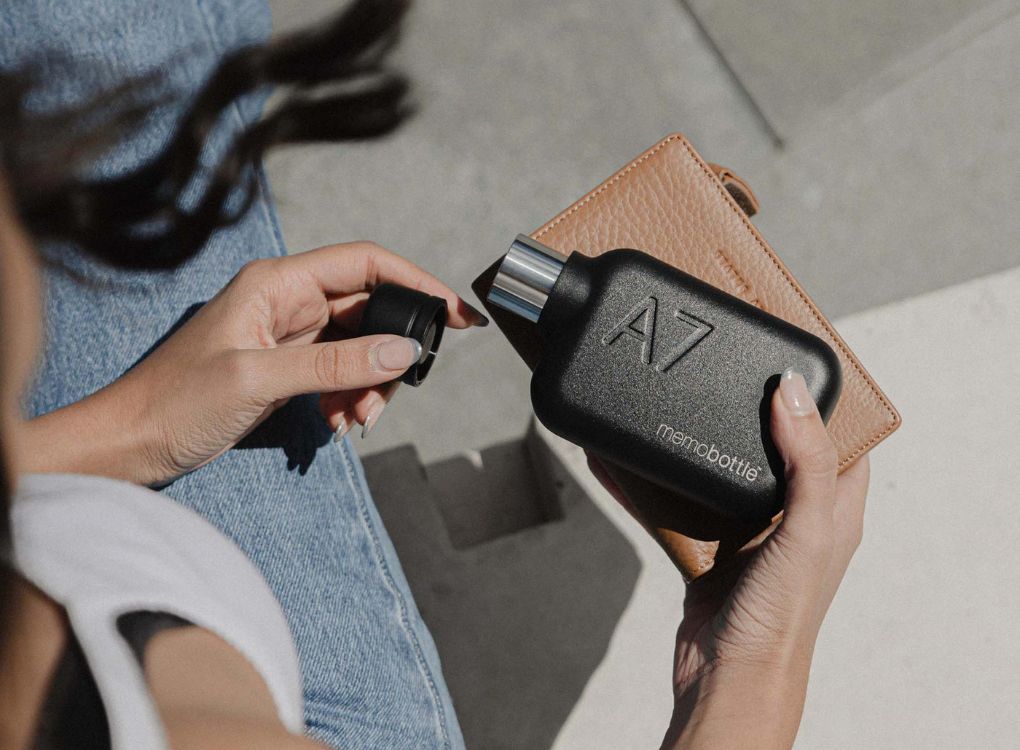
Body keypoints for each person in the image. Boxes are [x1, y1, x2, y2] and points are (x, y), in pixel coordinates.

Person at [0, 1, 870, 748]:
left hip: (122, 569)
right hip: (240, 665)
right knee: (130, 87)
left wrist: (137, 427)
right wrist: (753, 668)